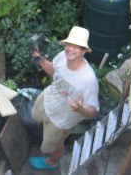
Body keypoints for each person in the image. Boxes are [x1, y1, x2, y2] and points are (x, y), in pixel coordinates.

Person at [29, 26, 100, 170]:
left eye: (76, 47)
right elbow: (52, 70)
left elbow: (93, 111)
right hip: (48, 99)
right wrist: (41, 61)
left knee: (50, 147)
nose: (70, 49)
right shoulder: (62, 56)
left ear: (84, 51)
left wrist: (80, 109)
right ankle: (49, 134)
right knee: (35, 116)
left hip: (60, 121)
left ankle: (52, 161)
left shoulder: (88, 80)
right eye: (69, 44)